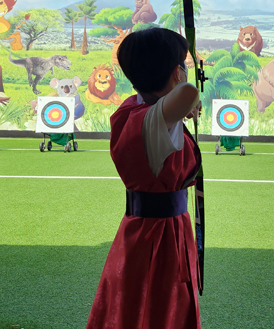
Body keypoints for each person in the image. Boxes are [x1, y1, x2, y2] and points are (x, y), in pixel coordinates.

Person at [86, 28, 202, 329]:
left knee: (135, 308)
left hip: (147, 231)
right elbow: (188, 94)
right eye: (183, 66)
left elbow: (180, 99)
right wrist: (187, 95)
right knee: (159, 311)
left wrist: (182, 103)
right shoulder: (152, 122)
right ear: (177, 72)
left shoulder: (135, 108)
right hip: (159, 239)